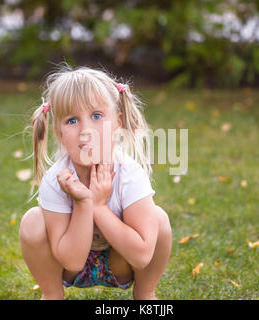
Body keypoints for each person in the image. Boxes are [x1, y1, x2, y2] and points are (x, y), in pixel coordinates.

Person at [19, 63, 172, 300]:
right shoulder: (57, 179)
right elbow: (71, 260)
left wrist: (100, 208)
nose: (85, 130)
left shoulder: (129, 174)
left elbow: (142, 256)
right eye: (72, 121)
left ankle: (145, 294)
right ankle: (51, 295)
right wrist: (84, 203)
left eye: (97, 116)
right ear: (59, 133)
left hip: (121, 263)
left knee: (159, 219)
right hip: (71, 267)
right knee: (32, 221)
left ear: (118, 123)